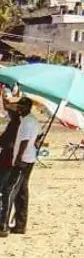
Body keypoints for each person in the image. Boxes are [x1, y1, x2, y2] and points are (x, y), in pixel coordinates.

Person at [0, 97, 38, 236]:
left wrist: (18, 158)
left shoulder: (25, 122)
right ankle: (20, 225)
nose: (18, 109)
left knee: (9, 191)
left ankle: (3, 226)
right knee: (21, 191)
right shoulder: (28, 120)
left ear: (27, 107)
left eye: (20, 107)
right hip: (27, 159)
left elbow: (24, 141)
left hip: (21, 161)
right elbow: (37, 137)